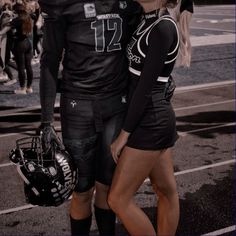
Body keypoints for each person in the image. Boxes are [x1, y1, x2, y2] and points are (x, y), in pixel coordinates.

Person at [38, 0, 142, 235]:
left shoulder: (130, 4)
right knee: (82, 190)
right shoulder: (63, 4)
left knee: (107, 188)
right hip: (78, 107)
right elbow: (50, 59)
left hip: (116, 105)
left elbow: (141, 48)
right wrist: (46, 121)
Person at [108, 0, 192, 235]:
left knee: (118, 199)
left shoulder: (164, 27)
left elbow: (144, 88)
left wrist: (124, 135)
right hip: (149, 117)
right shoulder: (146, 19)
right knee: (165, 190)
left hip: (150, 121)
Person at [11, 3, 34, 94]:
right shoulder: (28, 17)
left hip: (20, 43)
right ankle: (29, 87)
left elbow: (7, 26)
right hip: (28, 43)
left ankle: (22, 88)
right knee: (28, 66)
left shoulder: (18, 19)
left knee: (21, 67)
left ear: (16, 11)